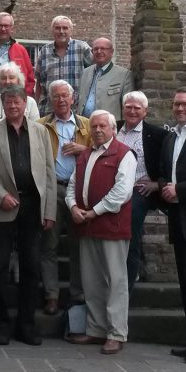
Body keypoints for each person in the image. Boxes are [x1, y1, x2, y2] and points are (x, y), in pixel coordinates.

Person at [0, 85, 56, 346]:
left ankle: (26, 324)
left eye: (17, 102)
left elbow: (49, 173)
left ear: (25, 104)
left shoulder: (40, 131)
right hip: (3, 208)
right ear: (3, 105)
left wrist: (49, 210)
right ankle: (0, 324)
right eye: (8, 102)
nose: (13, 106)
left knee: (31, 267)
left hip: (32, 206)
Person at [66, 110, 136, 354]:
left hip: (111, 226)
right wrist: (73, 207)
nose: (97, 130)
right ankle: (96, 329)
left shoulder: (124, 154)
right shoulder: (86, 154)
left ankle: (116, 333)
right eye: (94, 126)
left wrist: (94, 211)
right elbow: (72, 186)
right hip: (87, 226)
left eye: (102, 126)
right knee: (91, 280)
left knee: (115, 281)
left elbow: (122, 192)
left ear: (113, 129)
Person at [38, 80, 91, 315]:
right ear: (50, 100)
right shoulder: (40, 125)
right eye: (56, 96)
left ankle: (77, 293)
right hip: (53, 190)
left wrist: (84, 150)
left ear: (72, 99)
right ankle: (51, 294)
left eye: (64, 96)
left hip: (80, 191)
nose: (60, 100)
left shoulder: (87, 125)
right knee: (48, 244)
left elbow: (103, 152)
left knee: (78, 245)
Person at [159, 87, 186, 363]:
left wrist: (179, 190)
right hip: (179, 221)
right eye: (176, 104)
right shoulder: (172, 137)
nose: (180, 108)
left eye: (185, 104)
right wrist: (165, 187)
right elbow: (164, 172)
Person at [116, 91, 168, 293]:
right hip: (113, 188)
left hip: (139, 190)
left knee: (129, 230)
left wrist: (157, 184)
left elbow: (168, 164)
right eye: (128, 107)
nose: (132, 111)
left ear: (145, 111)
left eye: (137, 108)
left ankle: (126, 286)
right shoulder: (113, 129)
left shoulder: (157, 135)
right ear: (122, 109)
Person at [35, 15, 92, 115]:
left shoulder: (82, 48)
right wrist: (36, 107)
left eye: (65, 28)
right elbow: (39, 82)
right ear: (52, 31)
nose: (61, 31)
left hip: (76, 111)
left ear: (71, 31)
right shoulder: (44, 51)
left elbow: (95, 74)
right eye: (57, 28)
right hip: (49, 111)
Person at [77, 38, 133, 120]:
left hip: (108, 125)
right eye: (96, 49)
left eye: (103, 48)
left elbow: (127, 106)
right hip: (83, 124)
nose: (99, 51)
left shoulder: (124, 75)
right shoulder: (85, 73)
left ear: (111, 52)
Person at [0, 12, 35, 96]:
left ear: (12, 28)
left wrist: (24, 97)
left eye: (6, 26)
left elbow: (30, 79)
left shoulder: (21, 50)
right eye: (0, 25)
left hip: (15, 99)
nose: (3, 29)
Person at [0, 62, 39, 129]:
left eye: (11, 78)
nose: (7, 81)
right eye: (3, 78)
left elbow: (36, 129)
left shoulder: (30, 102)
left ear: (18, 81)